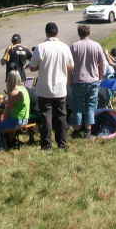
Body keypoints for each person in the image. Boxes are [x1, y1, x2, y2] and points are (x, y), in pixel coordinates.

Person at [28, 22, 74, 150]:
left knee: (45, 117)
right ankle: (62, 143)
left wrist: (40, 66)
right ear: (57, 32)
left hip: (44, 88)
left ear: (46, 33)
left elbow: (32, 67)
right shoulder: (64, 47)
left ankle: (46, 145)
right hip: (60, 88)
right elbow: (71, 66)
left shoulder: (41, 47)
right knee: (61, 117)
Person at [68, 25, 106, 139]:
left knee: (77, 106)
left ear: (79, 33)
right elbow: (102, 63)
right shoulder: (96, 45)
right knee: (90, 105)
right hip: (93, 80)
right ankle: (88, 130)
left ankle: (77, 129)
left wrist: (70, 79)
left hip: (78, 80)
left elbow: (69, 65)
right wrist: (100, 76)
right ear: (89, 33)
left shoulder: (73, 46)